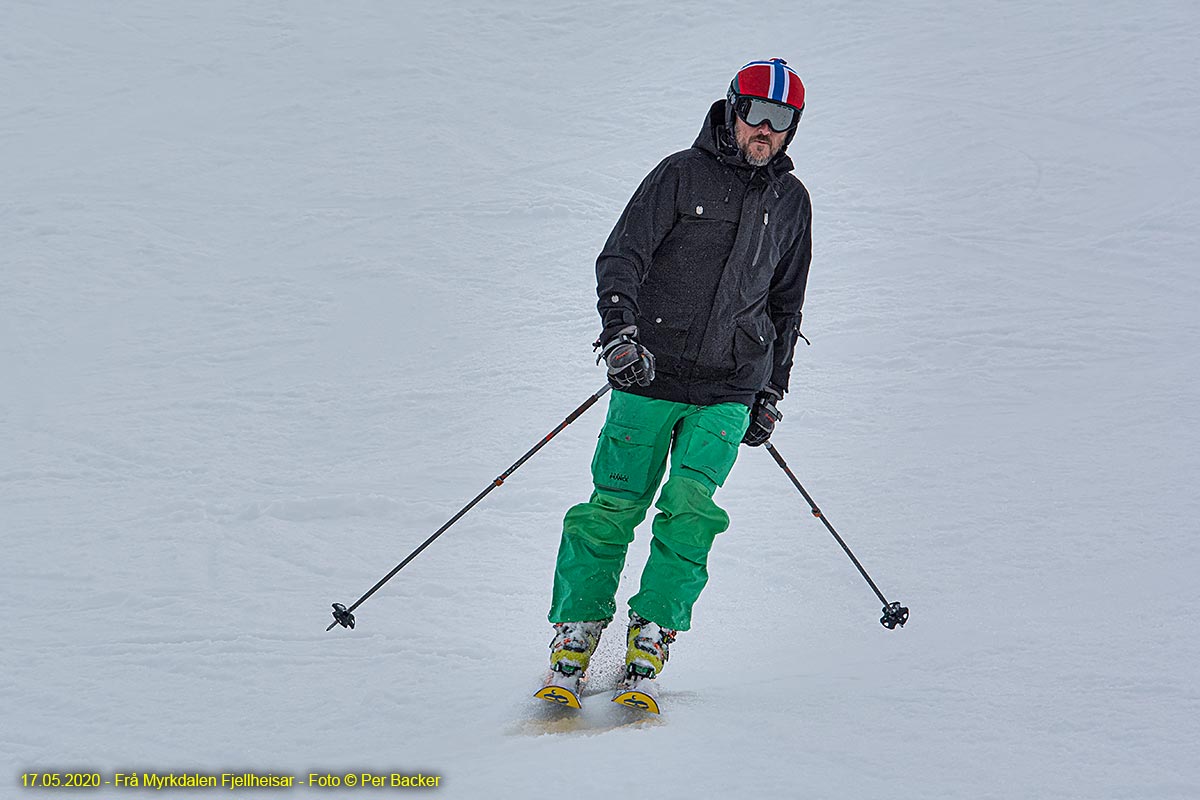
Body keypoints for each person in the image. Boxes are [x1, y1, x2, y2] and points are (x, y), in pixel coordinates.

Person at [546, 59, 812, 685]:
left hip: (729, 386)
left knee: (691, 508)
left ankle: (653, 631)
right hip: (650, 375)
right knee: (613, 504)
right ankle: (576, 630)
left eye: (782, 120)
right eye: (757, 113)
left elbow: (786, 303)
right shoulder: (679, 175)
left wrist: (773, 389)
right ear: (731, 109)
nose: (765, 130)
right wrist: (619, 335)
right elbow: (621, 257)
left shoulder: (792, 203)